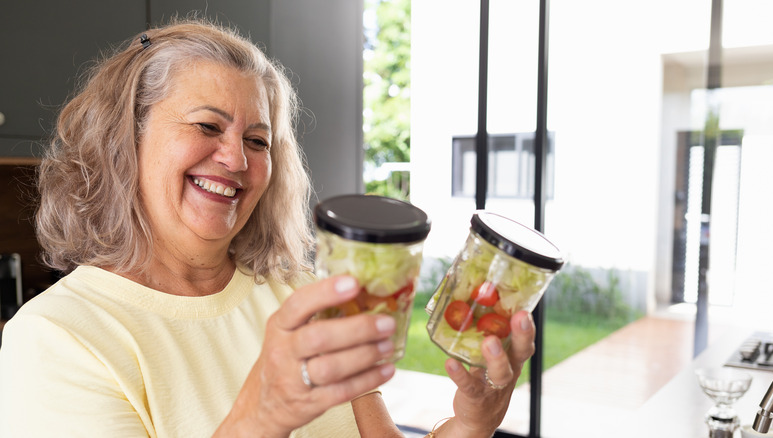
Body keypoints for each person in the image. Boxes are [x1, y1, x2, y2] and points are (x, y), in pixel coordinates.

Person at [0, 18, 536, 437]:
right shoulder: (58, 336)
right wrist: (262, 417)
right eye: (208, 126)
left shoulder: (300, 293)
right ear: (125, 143)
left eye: (258, 141)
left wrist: (471, 423)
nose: (235, 160)